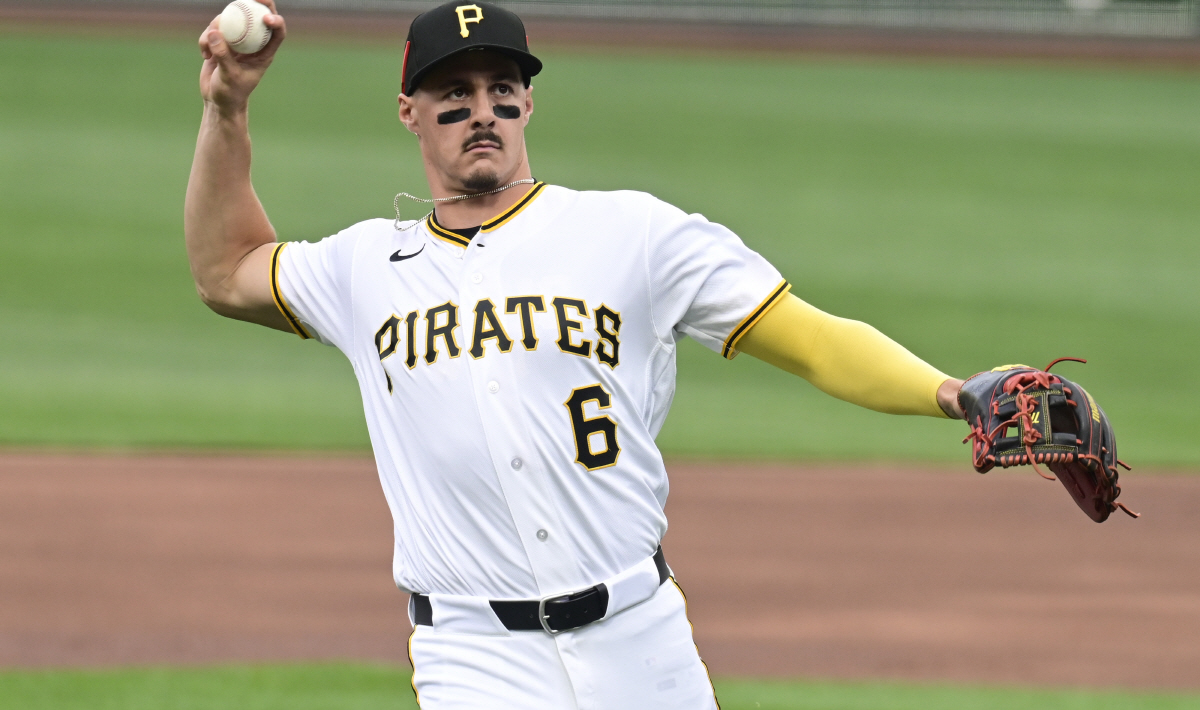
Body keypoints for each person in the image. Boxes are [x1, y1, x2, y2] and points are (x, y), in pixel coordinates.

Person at [185, 2, 965, 707]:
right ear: (411, 114)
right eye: (453, 93)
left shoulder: (633, 234)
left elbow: (813, 339)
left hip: (640, 636)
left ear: (529, 103)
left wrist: (952, 394)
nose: (481, 110)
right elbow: (226, 270)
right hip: (473, 655)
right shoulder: (362, 269)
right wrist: (228, 107)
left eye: (502, 88)